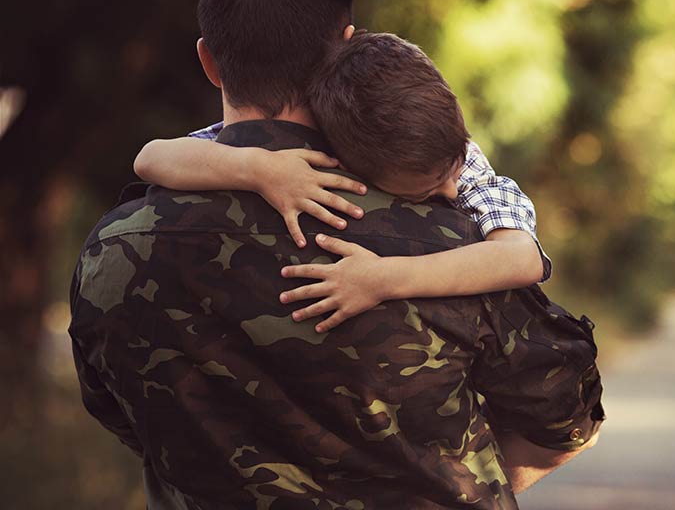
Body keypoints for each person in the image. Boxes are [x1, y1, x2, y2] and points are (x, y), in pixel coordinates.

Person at [69, 0, 603, 509]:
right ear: (344, 47)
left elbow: (119, 413)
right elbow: (567, 417)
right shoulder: (452, 245)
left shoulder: (114, 251)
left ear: (209, 61)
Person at [133, 49, 550, 334]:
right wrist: (259, 169)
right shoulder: (334, 145)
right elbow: (151, 157)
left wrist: (384, 279)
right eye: (425, 191)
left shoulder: (462, 160)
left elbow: (521, 257)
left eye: (454, 166)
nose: (451, 188)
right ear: (353, 167)